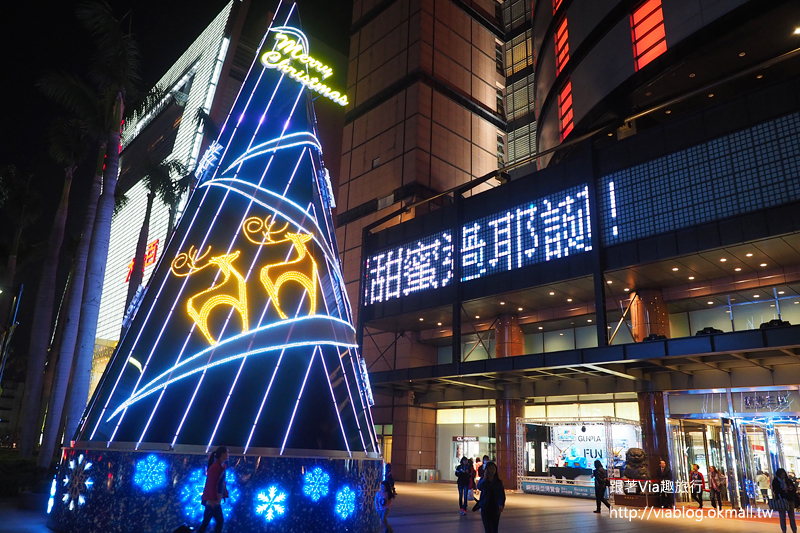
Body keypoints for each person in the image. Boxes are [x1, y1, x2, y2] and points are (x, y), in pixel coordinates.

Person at [197, 446, 230, 533]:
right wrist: (213, 498)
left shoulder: (220, 467)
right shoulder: (216, 467)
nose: (228, 455)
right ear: (222, 454)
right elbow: (211, 484)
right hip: (212, 500)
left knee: (210, 521)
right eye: (227, 453)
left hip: (214, 499)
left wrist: (222, 495)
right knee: (215, 521)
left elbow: (221, 483)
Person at [475, 461, 505, 533]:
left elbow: (501, 494)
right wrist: (485, 479)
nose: (492, 470)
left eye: (494, 468)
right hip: (485, 506)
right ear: (487, 470)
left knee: (494, 529)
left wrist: (501, 504)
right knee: (487, 529)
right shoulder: (483, 479)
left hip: (495, 507)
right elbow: (479, 487)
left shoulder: (498, 482)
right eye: (490, 468)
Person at [773, 468, 798, 533]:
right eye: (781, 474)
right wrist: (783, 489)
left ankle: (794, 530)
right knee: (782, 517)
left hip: (789, 499)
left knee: (791, 516)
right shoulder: (775, 481)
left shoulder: (788, 480)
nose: (783, 475)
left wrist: (791, 489)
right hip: (781, 500)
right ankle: (784, 530)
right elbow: (775, 490)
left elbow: (794, 488)